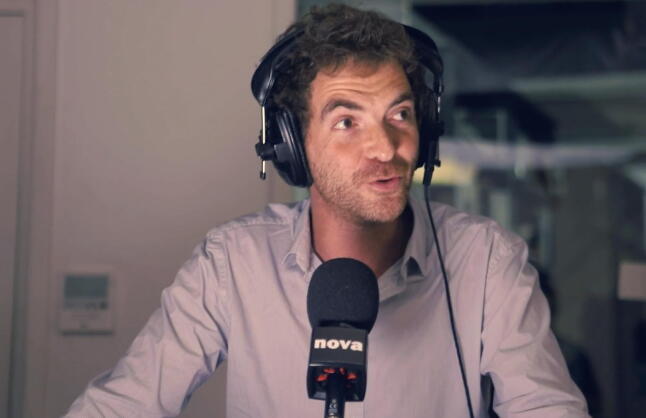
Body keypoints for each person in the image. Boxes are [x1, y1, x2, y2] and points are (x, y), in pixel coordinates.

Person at [66, 4, 589, 417]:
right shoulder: (231, 263)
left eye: (400, 114)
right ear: (293, 146)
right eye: (346, 122)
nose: (385, 148)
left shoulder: (488, 261)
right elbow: (120, 406)